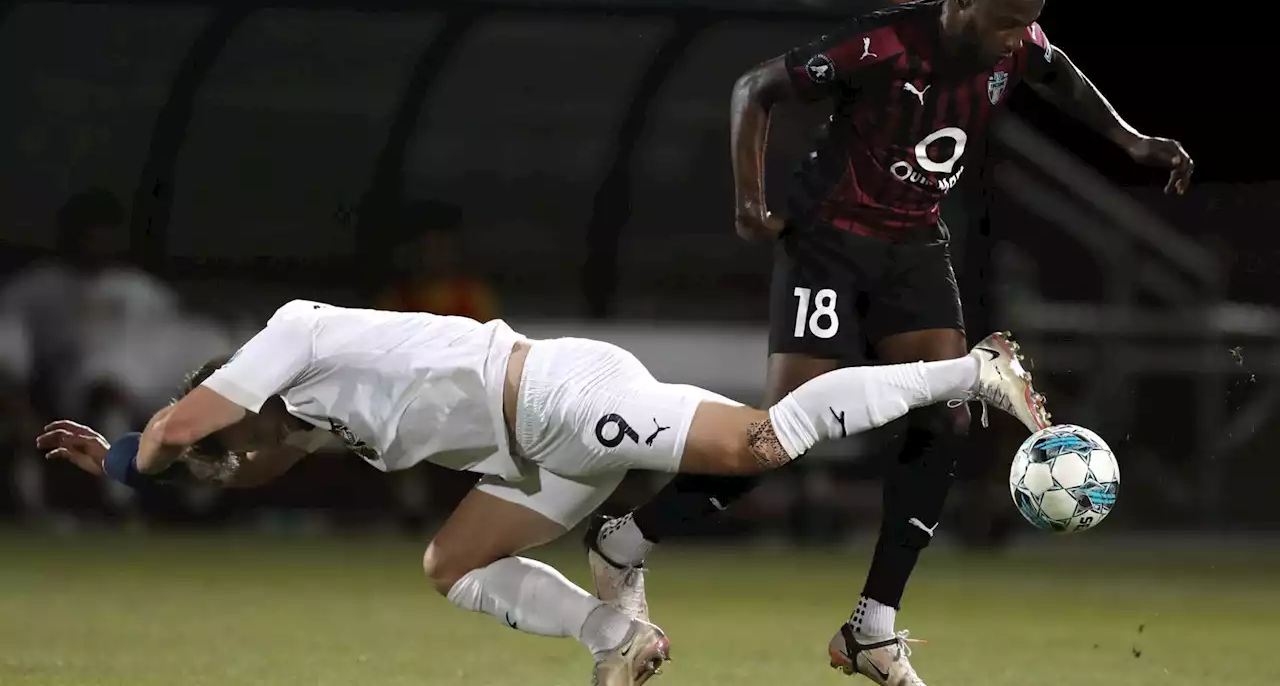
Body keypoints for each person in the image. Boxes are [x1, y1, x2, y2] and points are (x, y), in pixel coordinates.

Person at [584, 0, 1193, 684]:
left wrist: (1131, 141)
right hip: (827, 244)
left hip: (914, 246)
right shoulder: (884, 44)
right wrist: (751, 204)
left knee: (949, 419)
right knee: (776, 439)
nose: (1012, 41)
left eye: (1022, 25)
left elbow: (1058, 74)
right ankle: (626, 540)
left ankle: (872, 627)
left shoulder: (1016, 41)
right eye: (1001, 23)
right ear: (961, 0)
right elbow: (756, 88)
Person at [38, 300, 1045, 685]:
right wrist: (199, 465)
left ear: (234, 383)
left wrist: (130, 461)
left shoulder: (291, 335)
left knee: (752, 443)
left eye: (224, 422)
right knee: (449, 563)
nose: (226, 444)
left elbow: (177, 433)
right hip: (541, 456)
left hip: (562, 399)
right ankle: (617, 637)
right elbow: (248, 457)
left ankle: (972, 368)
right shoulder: (305, 415)